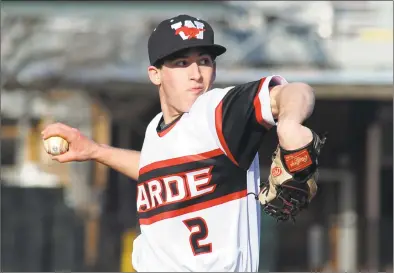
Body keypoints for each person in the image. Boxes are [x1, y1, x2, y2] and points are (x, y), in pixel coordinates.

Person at [42, 14, 326, 272]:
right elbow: (154, 169)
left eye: (204, 61)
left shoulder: (217, 112)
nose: (196, 74)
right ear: (155, 74)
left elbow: (296, 92)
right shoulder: (157, 129)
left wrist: (289, 123)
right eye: (181, 63)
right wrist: (95, 151)